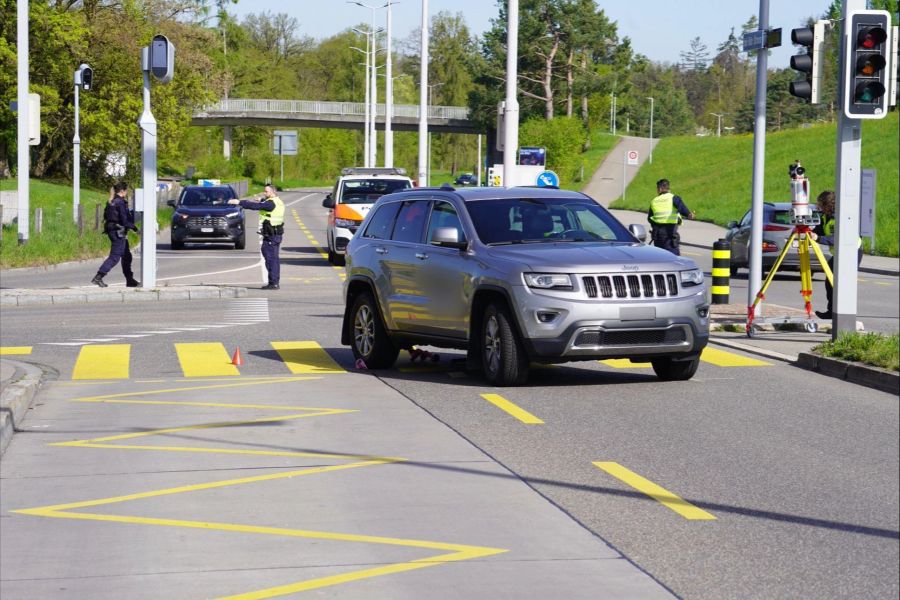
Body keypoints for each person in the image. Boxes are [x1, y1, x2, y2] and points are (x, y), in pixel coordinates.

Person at [810, 190, 862, 320]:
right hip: (839, 253)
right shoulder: (825, 216)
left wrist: (818, 238)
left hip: (850, 252)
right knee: (830, 280)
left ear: (828, 204)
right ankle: (831, 311)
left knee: (841, 283)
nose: (818, 206)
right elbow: (820, 229)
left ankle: (843, 315)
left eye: (820, 204)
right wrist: (810, 233)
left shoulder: (841, 217)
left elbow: (840, 238)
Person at [229, 184, 284, 290]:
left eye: (266, 191)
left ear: (273, 192)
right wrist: (261, 199)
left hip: (272, 236)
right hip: (275, 234)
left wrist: (239, 202)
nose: (265, 193)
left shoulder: (270, 204)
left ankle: (273, 283)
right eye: (264, 191)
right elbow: (265, 203)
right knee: (274, 259)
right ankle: (274, 281)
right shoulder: (277, 201)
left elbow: (256, 206)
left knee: (270, 259)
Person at [92, 181, 140, 288]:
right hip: (118, 232)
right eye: (126, 190)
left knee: (127, 256)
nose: (127, 192)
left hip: (114, 230)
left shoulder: (112, 201)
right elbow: (124, 220)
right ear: (122, 191)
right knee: (115, 257)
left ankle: (130, 280)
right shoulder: (120, 202)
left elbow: (108, 216)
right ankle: (98, 277)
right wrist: (135, 229)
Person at [648, 178, 694, 255]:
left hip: (658, 237)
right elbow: (681, 207)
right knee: (674, 260)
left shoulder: (654, 201)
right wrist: (689, 214)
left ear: (659, 189)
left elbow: (650, 218)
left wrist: (655, 227)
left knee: (660, 259)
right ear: (668, 188)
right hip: (670, 236)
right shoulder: (673, 198)